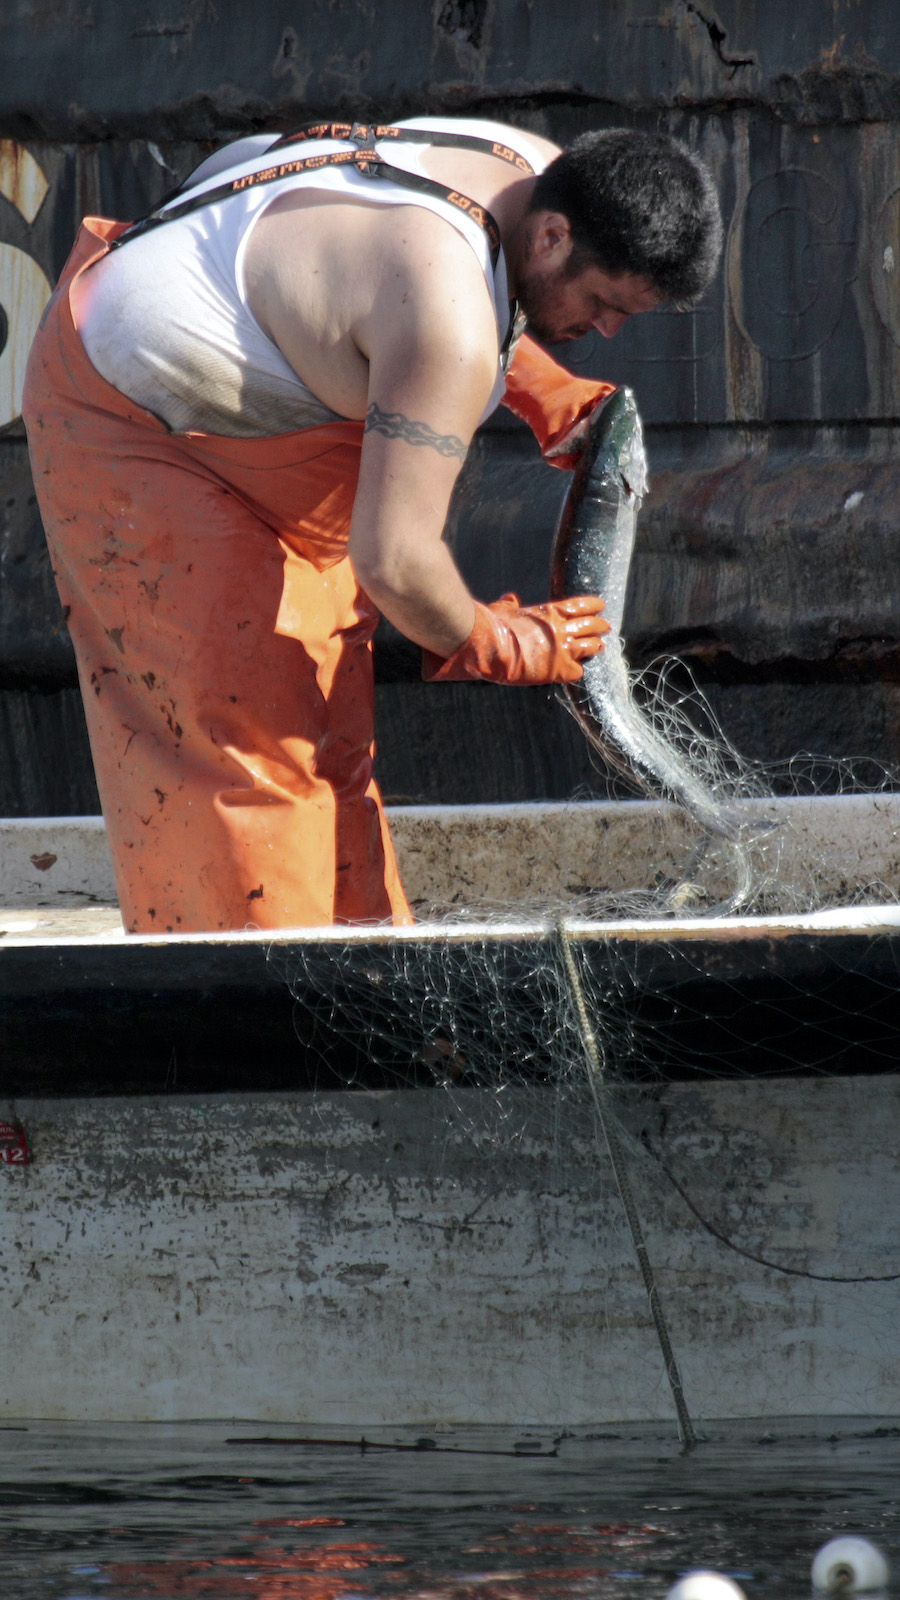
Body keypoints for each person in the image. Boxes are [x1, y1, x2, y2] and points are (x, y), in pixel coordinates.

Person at [22, 117, 721, 934]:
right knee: (251, 753)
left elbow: (394, 267)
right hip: (130, 429)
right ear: (556, 234)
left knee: (331, 739)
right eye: (603, 304)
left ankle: (363, 972)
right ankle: (262, 1022)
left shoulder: (533, 169)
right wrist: (505, 641)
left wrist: (535, 383)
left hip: (256, 366)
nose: (607, 333)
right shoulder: (448, 323)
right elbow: (394, 559)